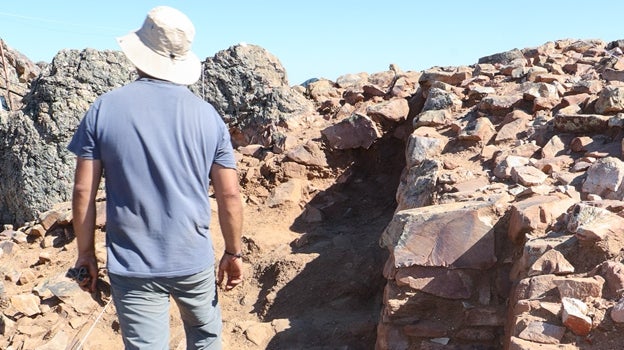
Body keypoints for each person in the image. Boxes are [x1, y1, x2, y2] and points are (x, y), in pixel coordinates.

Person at [67, 6, 244, 349]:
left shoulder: (103, 109)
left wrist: (85, 253)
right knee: (206, 339)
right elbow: (230, 196)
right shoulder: (208, 117)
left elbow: (82, 190)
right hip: (193, 260)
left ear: (140, 52)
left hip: (133, 265)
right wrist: (233, 253)